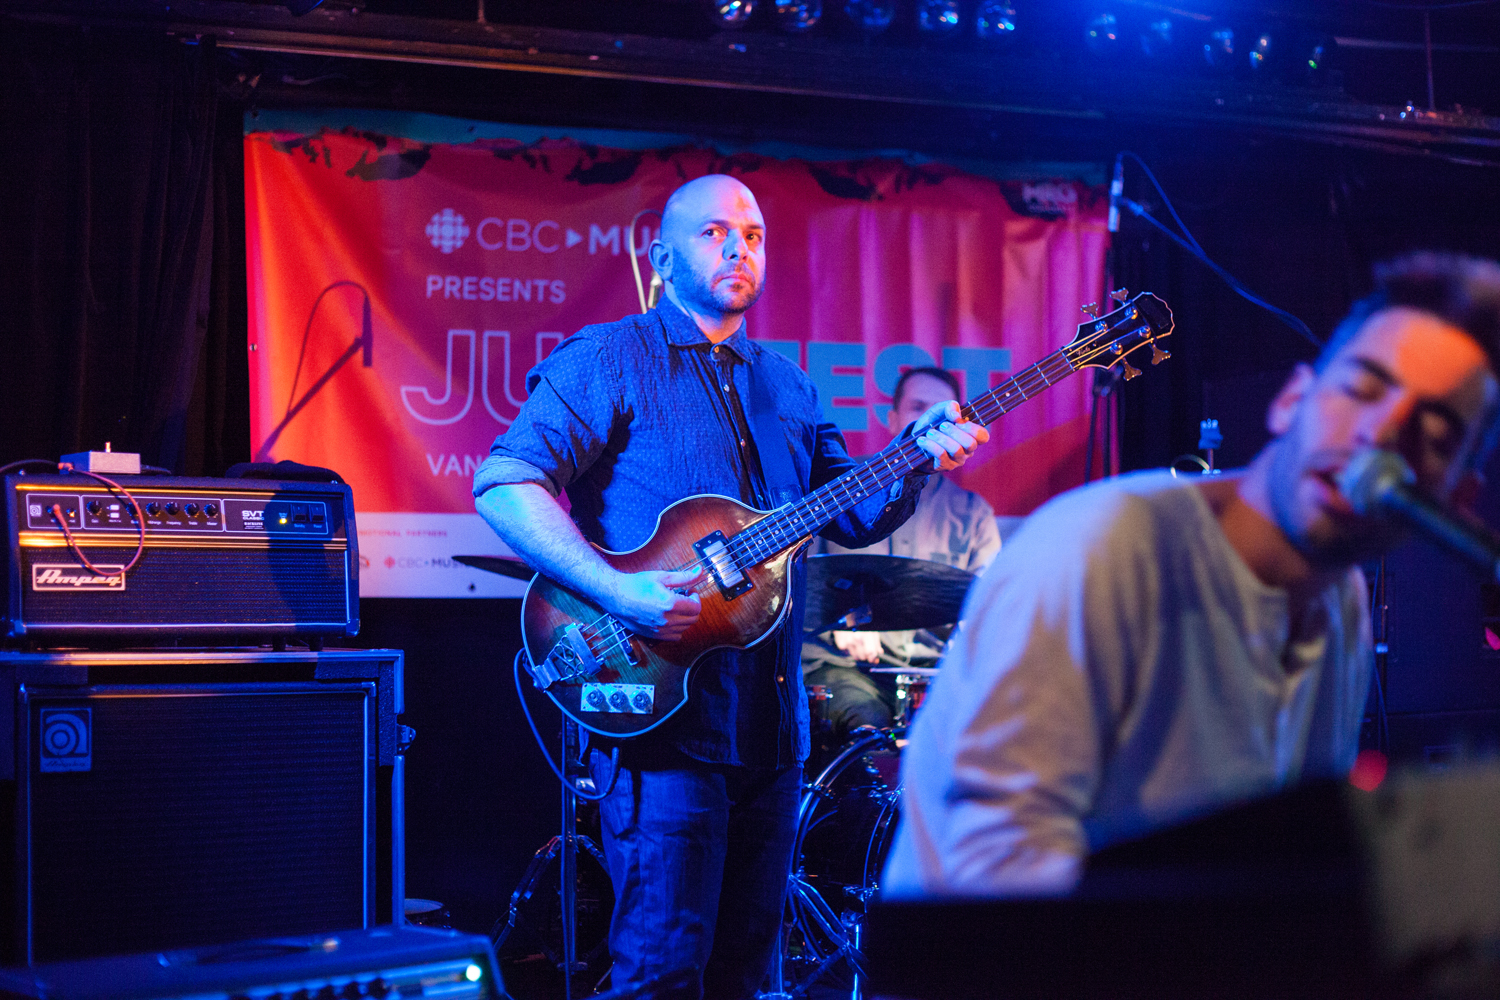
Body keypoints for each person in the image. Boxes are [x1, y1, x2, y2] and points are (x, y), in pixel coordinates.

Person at [472, 174, 986, 998]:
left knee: (749, 972)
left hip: (773, 731)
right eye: (713, 233)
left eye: (751, 234)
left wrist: (920, 456)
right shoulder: (610, 357)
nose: (738, 247)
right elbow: (504, 481)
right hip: (662, 724)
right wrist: (616, 590)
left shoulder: (787, 383)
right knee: (661, 969)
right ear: (661, 256)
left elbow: (852, 514)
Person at [884, 252, 1500, 897]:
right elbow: (991, 899)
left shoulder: (1339, 599)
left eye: (1431, 433)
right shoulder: (1102, 551)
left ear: (1458, 500)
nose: (1380, 434)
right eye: (1362, 389)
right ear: (1291, 400)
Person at [803, 366, 1002, 735]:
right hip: (843, 668)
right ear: (894, 419)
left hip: (932, 675)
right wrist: (837, 627)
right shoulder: (843, 492)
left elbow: (991, 607)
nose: (929, 420)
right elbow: (798, 581)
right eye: (917, 408)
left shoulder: (973, 514)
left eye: (941, 410)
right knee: (866, 724)